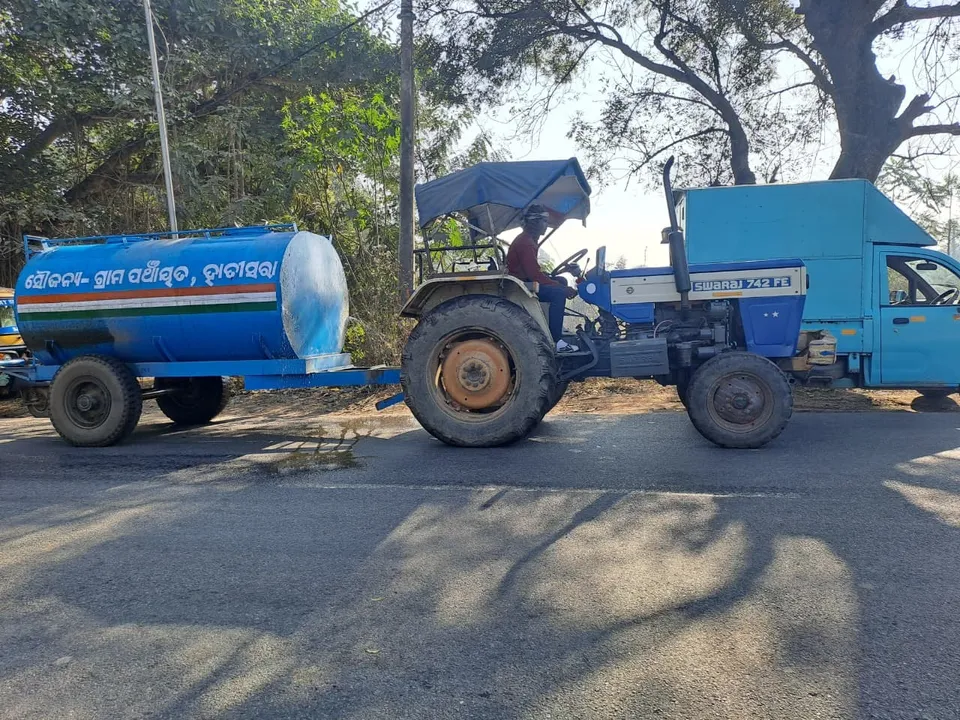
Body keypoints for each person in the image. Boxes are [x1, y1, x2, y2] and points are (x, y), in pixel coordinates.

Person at [506, 204, 579, 352]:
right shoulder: (526, 243)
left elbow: (534, 271)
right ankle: (556, 341)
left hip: (524, 280)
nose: (547, 225)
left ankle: (554, 326)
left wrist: (558, 282)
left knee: (561, 281)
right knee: (558, 293)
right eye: (544, 221)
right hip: (521, 285)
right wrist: (563, 289)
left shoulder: (528, 240)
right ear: (534, 222)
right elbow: (534, 275)